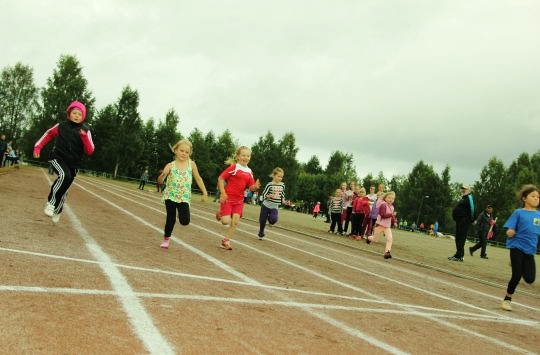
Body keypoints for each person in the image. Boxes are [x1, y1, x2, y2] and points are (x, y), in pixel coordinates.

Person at [33, 101, 95, 224]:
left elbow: (90, 151)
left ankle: (58, 209)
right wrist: (37, 147)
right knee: (64, 175)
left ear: (83, 116)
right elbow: (48, 134)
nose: (76, 116)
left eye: (79, 114)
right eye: (74, 113)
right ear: (69, 114)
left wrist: (83, 137)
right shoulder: (61, 126)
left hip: (74, 163)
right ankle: (51, 203)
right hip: (58, 158)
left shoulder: (85, 131)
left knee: (65, 188)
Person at [157, 139, 208, 249]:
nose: (184, 153)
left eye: (187, 152)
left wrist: (204, 192)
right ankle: (166, 238)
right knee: (171, 219)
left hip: (184, 197)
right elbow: (160, 181)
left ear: (190, 153)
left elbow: (198, 178)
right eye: (181, 150)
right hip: (170, 196)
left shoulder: (192, 164)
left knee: (185, 221)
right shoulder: (170, 165)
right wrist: (162, 176)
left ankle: (181, 213)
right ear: (175, 150)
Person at [500, 184, 539, 311]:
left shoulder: (539, 216)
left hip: (530, 250)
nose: (536, 198)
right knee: (516, 275)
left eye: (538, 197)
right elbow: (509, 229)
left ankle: (517, 263)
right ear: (524, 198)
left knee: (530, 279)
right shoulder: (518, 213)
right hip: (517, 246)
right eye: (533, 196)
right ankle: (507, 299)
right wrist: (510, 231)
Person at [216, 146, 260, 250]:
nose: (246, 157)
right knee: (225, 221)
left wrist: (255, 187)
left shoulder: (249, 171)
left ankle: (226, 241)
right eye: (243, 155)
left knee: (235, 222)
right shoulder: (234, 167)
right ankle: (221, 213)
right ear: (238, 156)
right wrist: (222, 192)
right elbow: (221, 178)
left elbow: (251, 186)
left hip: (239, 200)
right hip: (228, 198)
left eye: (248, 155)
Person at [366, 191, 398, 259]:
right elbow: (383, 215)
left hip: (387, 227)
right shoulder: (383, 205)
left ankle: (387, 252)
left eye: (392, 198)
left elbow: (392, 216)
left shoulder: (392, 207)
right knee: (375, 239)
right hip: (379, 225)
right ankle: (369, 238)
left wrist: (394, 221)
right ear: (385, 198)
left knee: (390, 238)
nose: (391, 200)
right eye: (389, 198)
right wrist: (391, 215)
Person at [448, 185, 475, 262]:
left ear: (469, 190)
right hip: (459, 221)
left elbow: (472, 209)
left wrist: (472, 220)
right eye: (462, 188)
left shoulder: (469, 197)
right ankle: (459, 255)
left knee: (461, 239)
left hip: (464, 221)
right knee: (458, 238)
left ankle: (459, 256)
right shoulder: (464, 198)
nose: (463, 190)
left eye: (465, 189)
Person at [257, 167, 285, 240]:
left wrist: (283, 200)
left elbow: (282, 194)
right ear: (274, 175)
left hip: (274, 207)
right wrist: (268, 196)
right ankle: (261, 232)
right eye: (278, 176)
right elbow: (263, 195)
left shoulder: (282, 185)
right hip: (266, 205)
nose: (280, 178)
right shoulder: (269, 185)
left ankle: (270, 221)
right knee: (262, 220)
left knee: (273, 220)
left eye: (281, 177)